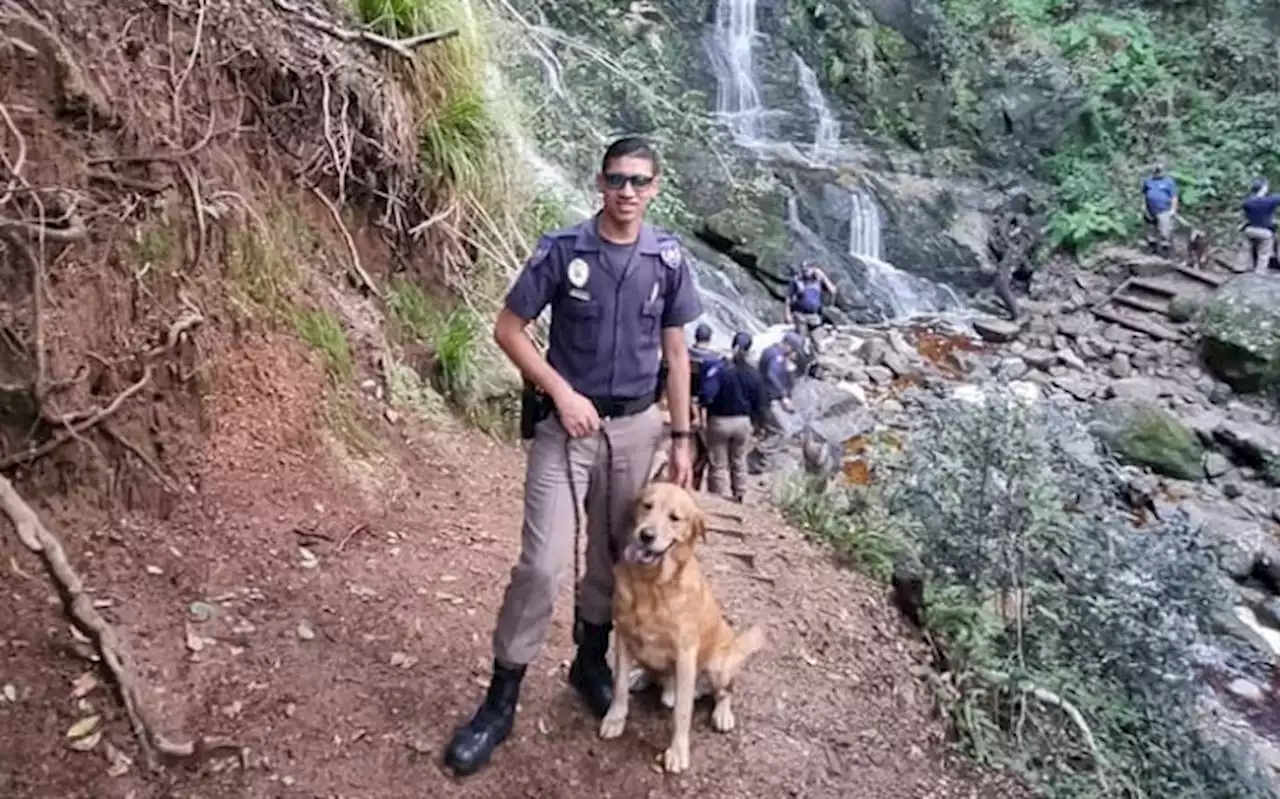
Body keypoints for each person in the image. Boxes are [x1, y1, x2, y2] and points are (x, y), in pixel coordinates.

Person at [443, 137, 702, 776]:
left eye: (640, 181)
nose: (628, 191)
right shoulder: (564, 252)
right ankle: (500, 700)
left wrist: (681, 438)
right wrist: (559, 391)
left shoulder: (668, 260)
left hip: (638, 427)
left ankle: (590, 662)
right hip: (567, 429)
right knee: (542, 563)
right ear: (599, 182)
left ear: (656, 187)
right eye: (617, 179)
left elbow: (676, 356)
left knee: (615, 559)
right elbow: (508, 329)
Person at [699, 331, 766, 503]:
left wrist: (704, 408)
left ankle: (719, 499)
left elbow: (707, 395)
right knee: (739, 459)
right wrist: (759, 424)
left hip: (719, 421)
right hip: (743, 422)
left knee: (718, 463)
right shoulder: (754, 373)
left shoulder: (720, 369)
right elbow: (760, 402)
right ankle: (740, 493)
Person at [687, 323, 721, 491]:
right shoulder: (715, 359)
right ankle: (696, 483)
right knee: (704, 449)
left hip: (683, 404)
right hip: (706, 408)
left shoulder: (686, 355)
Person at [784, 260, 837, 336]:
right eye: (804, 270)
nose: (806, 271)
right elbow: (788, 297)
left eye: (808, 269)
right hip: (800, 315)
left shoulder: (818, 280)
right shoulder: (797, 280)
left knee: (819, 341)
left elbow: (833, 290)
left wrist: (823, 276)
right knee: (801, 338)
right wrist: (787, 314)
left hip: (814, 315)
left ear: (813, 269)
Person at [1241, 178, 1280, 273]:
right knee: (1264, 254)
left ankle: (1241, 267)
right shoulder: (1269, 201)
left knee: (1246, 249)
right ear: (1263, 188)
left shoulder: (1247, 202)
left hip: (1249, 230)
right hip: (1264, 232)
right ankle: (1260, 272)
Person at [1140, 163, 1178, 256]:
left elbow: (1174, 196)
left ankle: (1165, 251)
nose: (1158, 172)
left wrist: (1173, 209)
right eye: (1156, 171)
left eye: (1159, 171)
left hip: (1164, 210)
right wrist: (1143, 206)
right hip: (1150, 210)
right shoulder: (1148, 181)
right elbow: (1144, 194)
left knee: (1165, 231)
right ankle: (1151, 248)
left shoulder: (1169, 182)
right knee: (1150, 230)